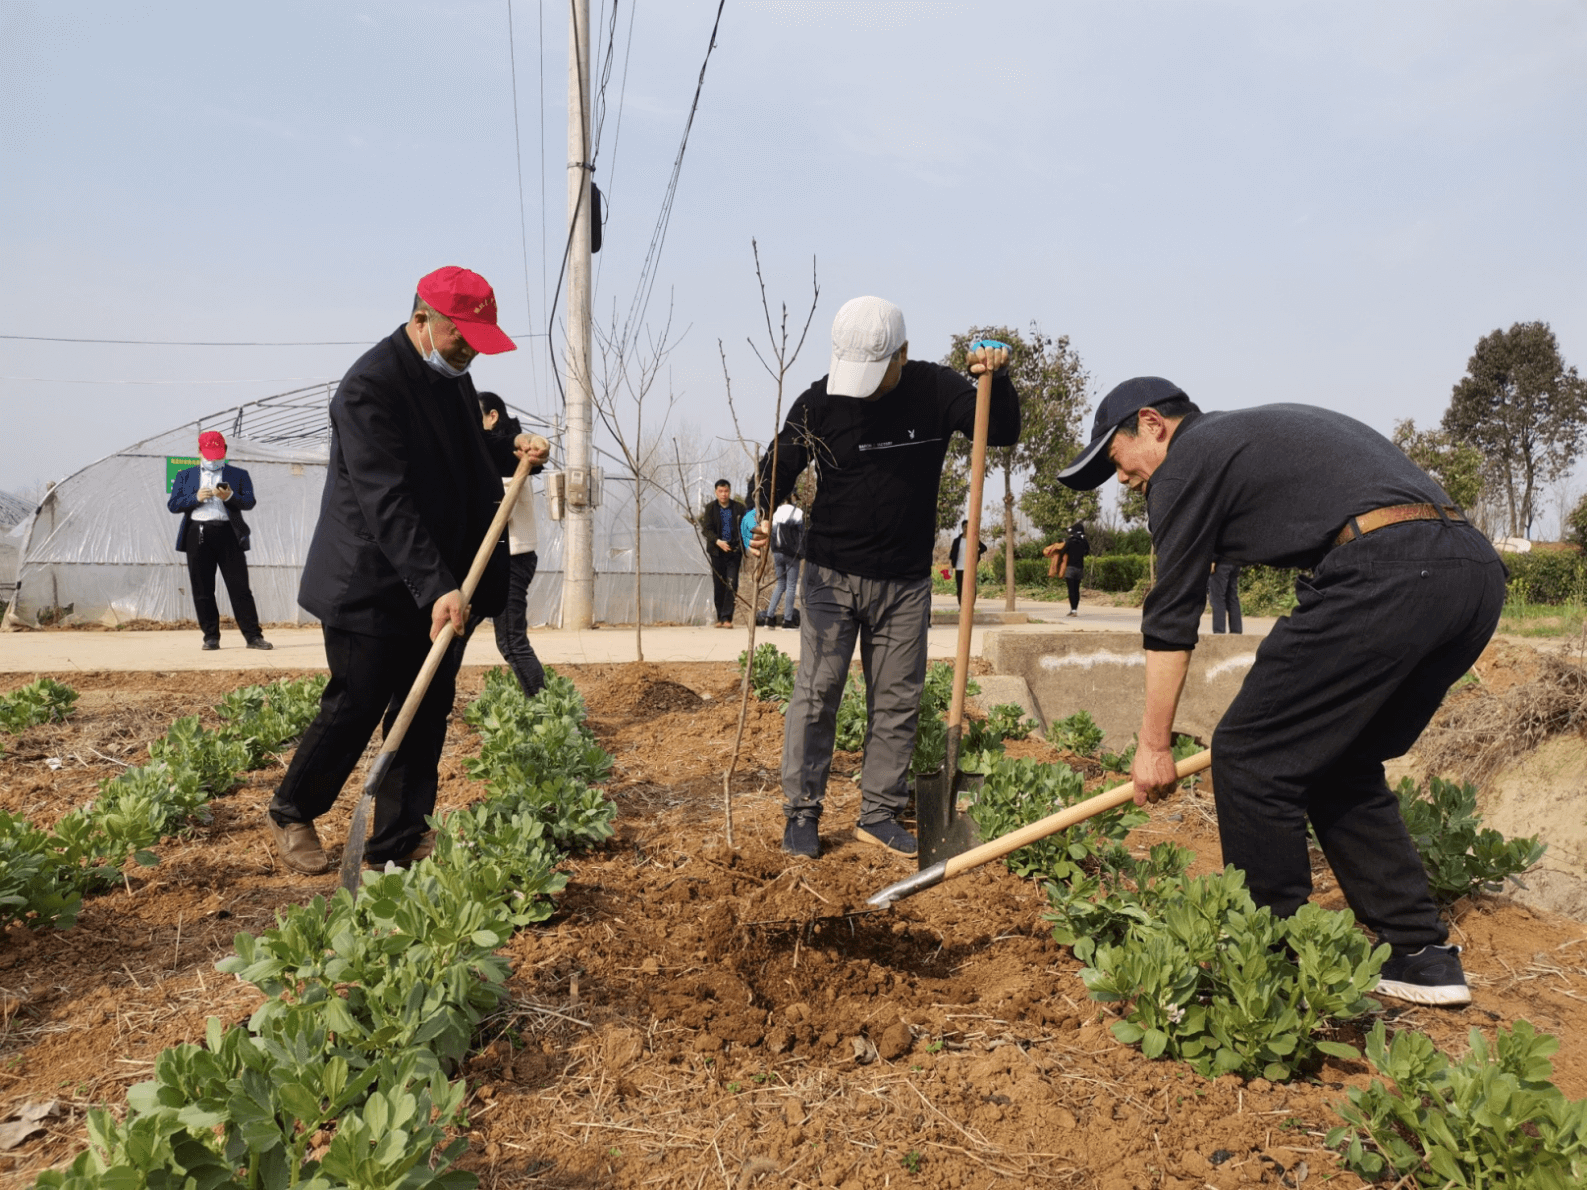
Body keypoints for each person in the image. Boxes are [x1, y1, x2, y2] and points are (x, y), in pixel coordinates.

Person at [1058, 376, 1504, 1006]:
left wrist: (1154, 745)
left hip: (1387, 569)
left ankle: (1269, 970)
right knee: (1340, 760)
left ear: (1152, 424)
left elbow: (1171, 615)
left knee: (1249, 755)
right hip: (1473, 575)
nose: (1123, 479)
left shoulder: (1185, 462)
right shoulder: (1245, 437)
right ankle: (1421, 956)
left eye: (1117, 459)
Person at [266, 266, 546, 876]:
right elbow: (385, 498)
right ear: (423, 321)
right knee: (357, 701)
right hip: (370, 578)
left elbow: (462, 455)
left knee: (425, 708)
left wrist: (512, 447)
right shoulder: (369, 388)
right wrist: (436, 584)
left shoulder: (451, 379)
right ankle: (293, 810)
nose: (470, 353)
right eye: (461, 338)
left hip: (442, 578)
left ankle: (398, 835)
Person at [752, 296, 1020, 859]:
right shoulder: (820, 400)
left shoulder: (935, 389)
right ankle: (802, 812)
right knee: (816, 694)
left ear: (902, 353)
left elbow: (998, 429)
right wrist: (761, 512)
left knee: (897, 701)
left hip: (904, 582)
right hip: (830, 576)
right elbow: (778, 465)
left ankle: (878, 813)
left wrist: (998, 378)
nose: (864, 387)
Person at [452, 392, 549, 698]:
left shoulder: (511, 454)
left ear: (492, 416)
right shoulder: (481, 452)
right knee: (454, 633)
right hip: (486, 560)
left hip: (511, 559)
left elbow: (500, 489)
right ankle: (436, 705)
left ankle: (548, 711)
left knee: (510, 641)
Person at [167, 431, 272, 651]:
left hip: (229, 534)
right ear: (199, 452)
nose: (213, 460)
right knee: (203, 588)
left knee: (239, 588)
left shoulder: (238, 474)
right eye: (209, 455)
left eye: (218, 454)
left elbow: (249, 502)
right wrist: (195, 498)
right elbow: (173, 505)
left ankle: (253, 636)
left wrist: (230, 497)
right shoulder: (185, 475)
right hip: (198, 533)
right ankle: (211, 636)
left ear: (225, 451)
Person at [699, 479, 746, 628]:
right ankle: (720, 617)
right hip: (717, 552)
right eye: (720, 491)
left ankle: (727, 618)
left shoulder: (739, 508)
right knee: (719, 584)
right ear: (716, 492)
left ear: (729, 492)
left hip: (734, 552)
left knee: (732, 583)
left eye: (726, 491)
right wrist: (717, 541)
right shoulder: (710, 508)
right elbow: (706, 529)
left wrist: (740, 545)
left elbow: (745, 528)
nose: (723, 494)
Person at [762, 501, 806, 629]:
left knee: (780, 584)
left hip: (777, 553)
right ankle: (787, 620)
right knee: (791, 586)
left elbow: (772, 534)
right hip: (791, 554)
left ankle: (769, 618)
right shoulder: (798, 512)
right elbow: (801, 534)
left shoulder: (776, 512)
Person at [948, 520, 987, 607]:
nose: (967, 528)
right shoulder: (957, 541)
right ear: (962, 528)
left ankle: (970, 606)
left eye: (969, 527)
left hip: (970, 568)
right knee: (960, 588)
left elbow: (984, 548)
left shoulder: (974, 539)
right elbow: (952, 554)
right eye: (965, 526)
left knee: (972, 588)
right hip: (959, 568)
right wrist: (950, 567)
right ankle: (961, 606)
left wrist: (976, 554)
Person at [1208, 557, 1242, 633]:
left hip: (1220, 561)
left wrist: (1213, 559)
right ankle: (1236, 631)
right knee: (1232, 597)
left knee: (1218, 598)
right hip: (1236, 561)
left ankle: (1219, 632)